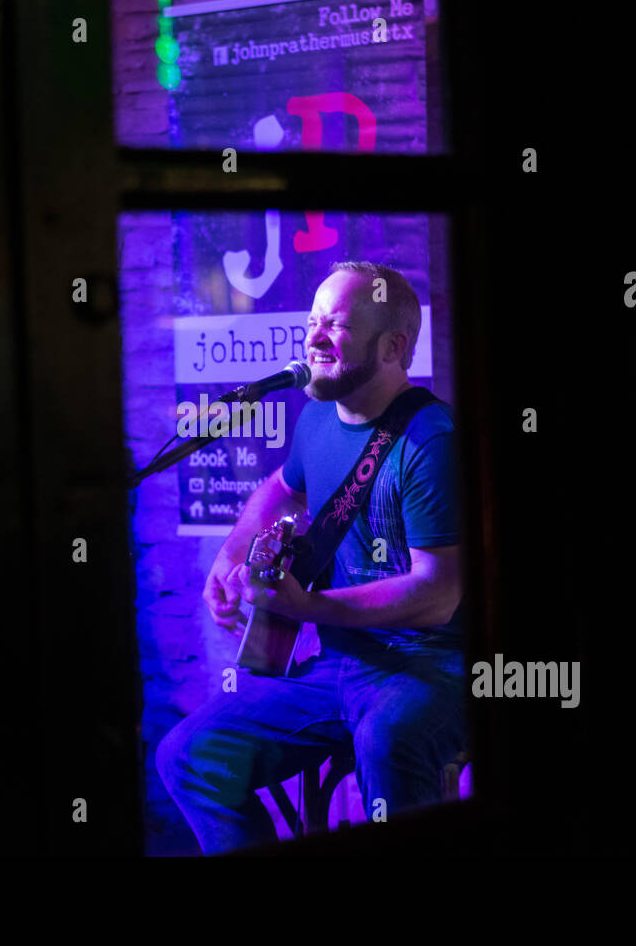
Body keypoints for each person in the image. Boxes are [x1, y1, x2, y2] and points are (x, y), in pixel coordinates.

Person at [156, 261, 467, 854]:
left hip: (430, 669)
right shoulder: (320, 416)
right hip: (336, 669)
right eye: (312, 322)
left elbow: (437, 594)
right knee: (190, 755)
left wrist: (310, 604)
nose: (314, 338)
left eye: (338, 325)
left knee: (387, 741)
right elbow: (282, 485)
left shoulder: (431, 440)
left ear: (393, 346)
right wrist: (231, 550)